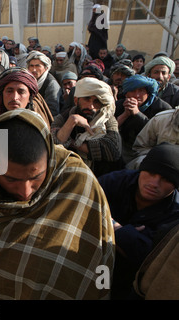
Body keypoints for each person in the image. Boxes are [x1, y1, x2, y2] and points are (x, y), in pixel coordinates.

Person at [0, 108, 115, 300]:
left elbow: (98, 250)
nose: (25, 192)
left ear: (50, 159)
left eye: (35, 178)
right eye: (11, 180)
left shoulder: (77, 181)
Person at [98, 143, 179, 300]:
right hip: (97, 261)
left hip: (131, 282)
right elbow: (83, 207)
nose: (154, 183)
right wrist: (121, 230)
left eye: (165, 179)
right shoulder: (117, 181)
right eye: (150, 173)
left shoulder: (175, 214)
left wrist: (106, 225)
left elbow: (146, 254)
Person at [51, 77, 122, 177]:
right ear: (76, 100)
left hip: (101, 175)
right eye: (87, 99)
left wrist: (72, 143)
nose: (91, 106)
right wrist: (72, 121)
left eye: (96, 101)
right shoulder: (64, 117)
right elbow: (53, 146)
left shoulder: (106, 118)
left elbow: (113, 150)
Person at [115, 74, 172, 164]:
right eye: (133, 91)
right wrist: (125, 114)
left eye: (141, 91)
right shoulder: (119, 105)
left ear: (148, 92)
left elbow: (160, 133)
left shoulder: (162, 108)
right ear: (126, 93)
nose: (137, 95)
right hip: (122, 149)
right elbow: (109, 130)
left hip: (149, 150)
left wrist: (137, 114)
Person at [26, 51, 62, 117]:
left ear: (46, 68)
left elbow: (52, 111)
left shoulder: (51, 85)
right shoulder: (29, 80)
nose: (34, 70)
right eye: (31, 66)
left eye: (37, 66)